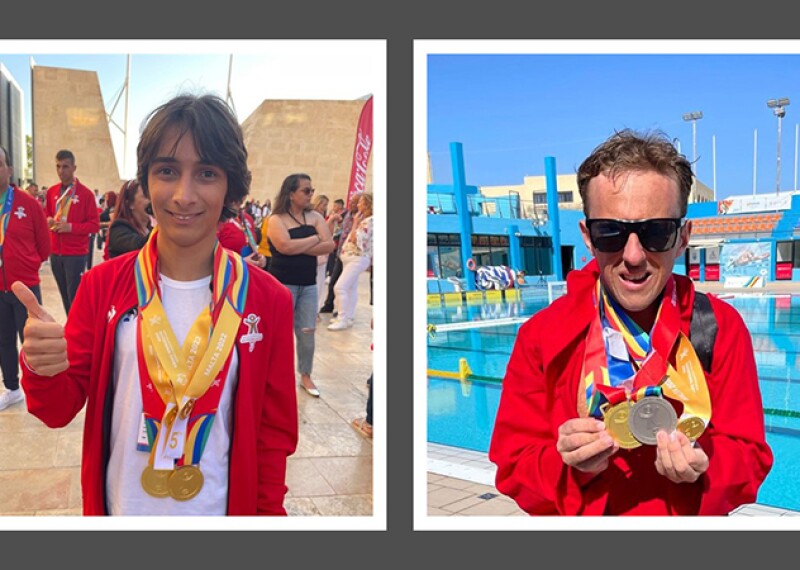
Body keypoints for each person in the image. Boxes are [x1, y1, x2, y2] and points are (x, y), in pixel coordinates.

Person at [14, 93, 298, 516]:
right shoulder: (101, 286)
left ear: (230, 186)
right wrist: (40, 366)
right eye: (167, 170)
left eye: (206, 173)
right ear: (146, 182)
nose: (184, 195)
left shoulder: (266, 299)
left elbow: (272, 439)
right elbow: (57, 409)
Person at [488, 129, 773, 516]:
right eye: (611, 233)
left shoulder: (719, 326)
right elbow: (512, 466)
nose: (634, 255)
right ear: (588, 236)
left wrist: (705, 466)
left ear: (683, 236)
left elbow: (751, 457)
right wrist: (566, 466)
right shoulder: (542, 335)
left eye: (656, 232)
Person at [267, 174, 335, 397]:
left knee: (307, 332)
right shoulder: (276, 219)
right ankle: (273, 375)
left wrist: (299, 245)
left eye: (312, 190)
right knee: (278, 333)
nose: (310, 194)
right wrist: (315, 238)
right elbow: (283, 247)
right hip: (282, 284)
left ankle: (306, 375)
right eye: (306, 191)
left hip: (307, 285)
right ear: (291, 194)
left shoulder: (315, 216)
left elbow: (330, 245)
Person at [0, 146, 50, 411]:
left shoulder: (27, 204)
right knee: (4, 341)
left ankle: (40, 389)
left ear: (9, 169)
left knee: (32, 340)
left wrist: (25, 266)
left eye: (0, 164)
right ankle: (11, 388)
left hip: (25, 287)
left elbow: (44, 246)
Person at [44, 149, 100, 315]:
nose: (61, 171)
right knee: (65, 297)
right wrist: (48, 220)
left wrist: (71, 227)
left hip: (75, 254)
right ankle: (72, 329)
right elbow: (47, 213)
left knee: (75, 297)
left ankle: (77, 332)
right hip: (55, 252)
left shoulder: (86, 194)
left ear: (74, 168)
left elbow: (94, 225)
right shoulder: (51, 192)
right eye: (58, 166)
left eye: (66, 167)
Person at [328, 193, 373, 331]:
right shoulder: (365, 220)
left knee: (340, 287)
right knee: (351, 288)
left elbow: (355, 239)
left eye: (360, 202)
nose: (358, 205)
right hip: (351, 258)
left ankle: (342, 318)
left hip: (357, 258)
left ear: (367, 205)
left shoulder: (369, 221)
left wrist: (355, 224)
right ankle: (348, 317)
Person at [319, 197, 359, 315]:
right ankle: (329, 305)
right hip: (341, 252)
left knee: (345, 285)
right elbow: (339, 225)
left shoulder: (361, 217)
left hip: (352, 254)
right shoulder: (346, 214)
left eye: (355, 202)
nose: (351, 204)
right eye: (351, 202)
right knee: (334, 280)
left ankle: (342, 310)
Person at [106, 179, 153, 259]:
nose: (152, 201)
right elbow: (141, 246)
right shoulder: (118, 229)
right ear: (130, 203)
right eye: (146, 196)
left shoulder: (149, 229)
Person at [217, 198, 266, 269]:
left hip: (248, 273)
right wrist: (240, 262)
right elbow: (209, 257)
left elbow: (252, 244)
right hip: (227, 274)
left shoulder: (247, 218)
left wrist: (260, 259)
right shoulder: (218, 219)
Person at [310, 193, 331, 313]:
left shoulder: (321, 217)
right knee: (316, 280)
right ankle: (314, 309)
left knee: (320, 280)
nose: (325, 207)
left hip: (321, 251)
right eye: (323, 204)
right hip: (315, 249)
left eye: (326, 205)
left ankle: (316, 308)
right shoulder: (314, 217)